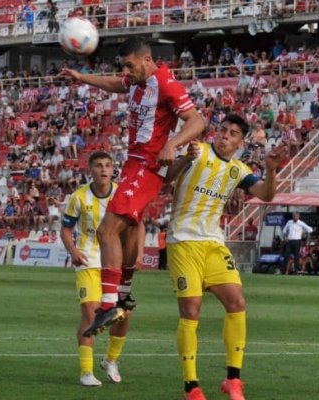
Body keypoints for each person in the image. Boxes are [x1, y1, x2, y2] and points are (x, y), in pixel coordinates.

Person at [59, 37, 204, 336]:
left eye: (130, 65)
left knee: (105, 231)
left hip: (146, 166)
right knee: (122, 235)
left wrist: (173, 144)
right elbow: (116, 83)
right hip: (133, 164)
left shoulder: (165, 84)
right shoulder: (137, 80)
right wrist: (81, 77)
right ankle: (123, 294)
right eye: (123, 65)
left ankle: (110, 303)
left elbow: (197, 121)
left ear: (147, 60)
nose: (126, 71)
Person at [163, 114, 288, 400]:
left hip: (213, 243)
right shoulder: (196, 150)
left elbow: (266, 195)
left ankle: (233, 380)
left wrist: (270, 170)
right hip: (183, 241)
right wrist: (183, 160)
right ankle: (191, 386)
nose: (224, 136)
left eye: (232, 134)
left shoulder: (239, 170)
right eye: (222, 130)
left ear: (240, 142)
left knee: (237, 302)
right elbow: (167, 177)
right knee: (191, 310)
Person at [60, 151, 137, 386]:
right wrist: (74, 252)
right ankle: (86, 372)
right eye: (98, 165)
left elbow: (136, 226)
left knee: (125, 314)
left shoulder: (123, 195)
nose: (103, 169)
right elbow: (65, 229)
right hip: (89, 261)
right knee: (91, 313)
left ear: (113, 168)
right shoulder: (79, 197)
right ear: (90, 170)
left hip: (115, 263)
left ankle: (110, 360)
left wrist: (135, 256)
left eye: (107, 165)